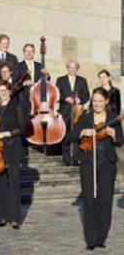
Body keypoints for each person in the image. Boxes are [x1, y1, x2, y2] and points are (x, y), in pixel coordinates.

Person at [70, 87, 123, 250]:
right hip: (88, 161)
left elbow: (120, 141)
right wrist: (82, 132)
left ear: (106, 101)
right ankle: (91, 239)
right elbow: (70, 137)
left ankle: (101, 236)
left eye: (100, 101)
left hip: (107, 163)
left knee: (105, 201)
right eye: (94, 101)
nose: (97, 104)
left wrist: (113, 133)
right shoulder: (86, 118)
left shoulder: (113, 118)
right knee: (88, 199)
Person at [0, 80, 26, 229]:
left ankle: (15, 217)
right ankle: (2, 216)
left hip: (12, 147)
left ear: (10, 91)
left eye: (5, 90)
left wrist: (3, 134)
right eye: (0, 90)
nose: (3, 93)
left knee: (13, 180)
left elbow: (22, 128)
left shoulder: (17, 106)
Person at [56, 60, 90, 166]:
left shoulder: (82, 80)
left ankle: (76, 158)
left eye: (74, 68)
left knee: (77, 134)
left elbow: (87, 95)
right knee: (66, 135)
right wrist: (65, 98)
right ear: (67, 68)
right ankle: (66, 159)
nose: (72, 69)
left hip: (78, 113)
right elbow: (57, 95)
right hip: (65, 112)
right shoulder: (60, 80)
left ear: (77, 69)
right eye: (70, 67)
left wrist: (81, 100)